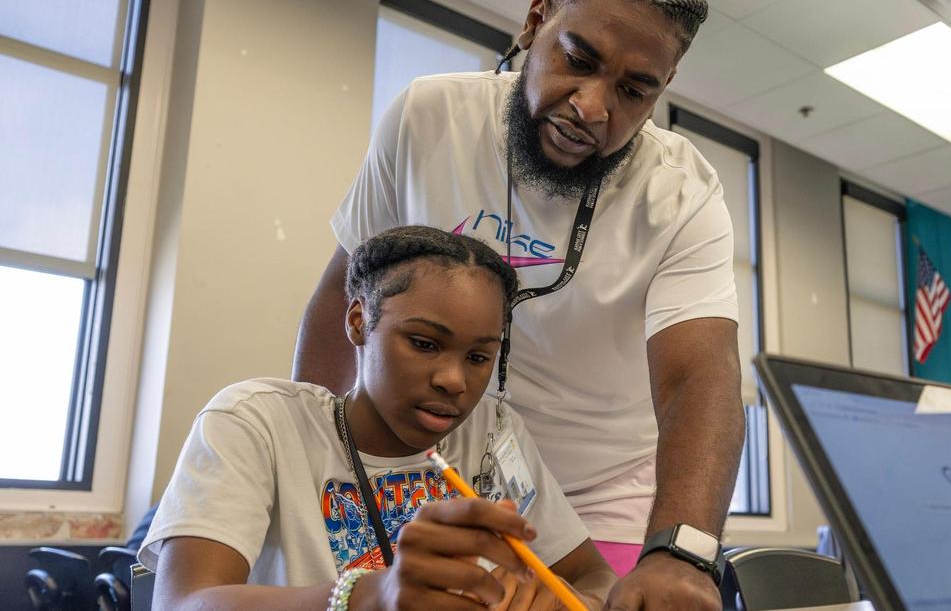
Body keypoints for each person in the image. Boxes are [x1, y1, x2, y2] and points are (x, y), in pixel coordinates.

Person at [294, 0, 744, 608]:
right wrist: (310, 473)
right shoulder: (429, 117)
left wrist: (681, 550)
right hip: (431, 476)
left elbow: (700, 376)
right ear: (536, 21)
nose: (593, 107)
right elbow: (344, 293)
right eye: (578, 60)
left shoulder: (682, 195)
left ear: (661, 91)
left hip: (601, 503)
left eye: (633, 89)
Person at [140, 226, 616, 610]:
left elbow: (594, 576)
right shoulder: (257, 422)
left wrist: (569, 601)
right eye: (424, 344)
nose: (454, 380)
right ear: (357, 322)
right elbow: (185, 602)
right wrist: (370, 595)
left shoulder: (492, 430)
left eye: (478, 357)